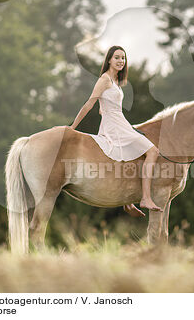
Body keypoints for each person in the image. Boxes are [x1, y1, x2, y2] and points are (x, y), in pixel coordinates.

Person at [70, 45, 163, 214]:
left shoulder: (114, 82)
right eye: (117, 58)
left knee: (128, 154)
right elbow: (89, 104)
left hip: (118, 121)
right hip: (114, 125)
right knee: (153, 151)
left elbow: (102, 106)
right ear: (109, 60)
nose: (121, 61)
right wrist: (72, 128)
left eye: (123, 58)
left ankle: (127, 201)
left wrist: (104, 109)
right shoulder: (105, 79)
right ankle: (145, 198)